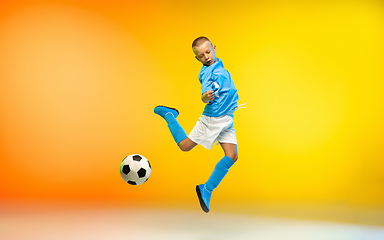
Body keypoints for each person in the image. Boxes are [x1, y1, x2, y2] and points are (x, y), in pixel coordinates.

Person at [154, 36, 239, 213]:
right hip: (213, 120)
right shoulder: (207, 73)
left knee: (231, 156)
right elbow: (204, 95)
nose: (206, 57)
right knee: (185, 146)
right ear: (197, 58)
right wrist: (206, 97)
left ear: (214, 48)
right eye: (201, 56)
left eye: (208, 52)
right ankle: (169, 115)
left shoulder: (219, 65)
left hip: (227, 119)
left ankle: (206, 189)